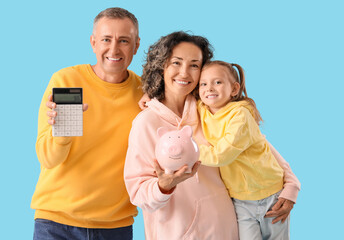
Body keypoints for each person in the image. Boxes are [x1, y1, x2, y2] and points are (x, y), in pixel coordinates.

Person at [127, 31, 300, 240]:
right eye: (176, 63)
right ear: (161, 66)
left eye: (194, 65)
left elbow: (258, 145)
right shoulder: (146, 123)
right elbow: (137, 193)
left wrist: (291, 186)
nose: (184, 72)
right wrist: (163, 186)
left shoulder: (211, 110)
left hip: (227, 230)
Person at [31, 7, 143, 239]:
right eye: (106, 39)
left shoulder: (144, 93)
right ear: (93, 43)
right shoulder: (67, 80)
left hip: (116, 225)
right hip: (56, 222)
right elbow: (49, 159)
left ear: (136, 45)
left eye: (123, 40)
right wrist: (61, 134)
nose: (114, 49)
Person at [198, 60, 300, 239]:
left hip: (271, 194)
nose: (209, 88)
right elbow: (174, 99)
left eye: (218, 82)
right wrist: (150, 100)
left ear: (234, 89)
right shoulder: (202, 109)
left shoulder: (240, 115)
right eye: (203, 84)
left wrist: (192, 152)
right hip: (240, 200)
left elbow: (222, 155)